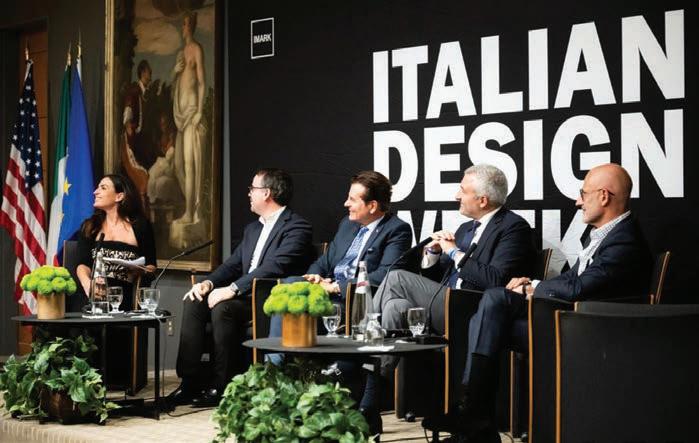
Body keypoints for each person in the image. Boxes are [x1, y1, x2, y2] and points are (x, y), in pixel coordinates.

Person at [428, 163, 653, 442]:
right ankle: (474, 417)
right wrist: (530, 283)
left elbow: (580, 287)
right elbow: (574, 277)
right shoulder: (605, 234)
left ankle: (473, 415)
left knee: (492, 309)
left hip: (594, 329)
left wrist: (532, 287)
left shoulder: (624, 241)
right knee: (491, 309)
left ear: (604, 196)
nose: (578, 201)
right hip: (574, 319)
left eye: (583, 193)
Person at [359, 164, 535, 432]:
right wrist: (433, 254)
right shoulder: (465, 228)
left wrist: (454, 252)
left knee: (396, 278)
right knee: (396, 306)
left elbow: (496, 280)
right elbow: (439, 278)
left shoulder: (513, 227)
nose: (456, 196)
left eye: (462, 190)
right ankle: (371, 403)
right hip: (445, 304)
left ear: (483, 200)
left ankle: (359, 367)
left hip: (475, 311)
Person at [167, 168, 313, 407]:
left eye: (252, 189)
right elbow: (233, 264)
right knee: (194, 300)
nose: (248, 194)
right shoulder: (252, 229)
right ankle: (189, 382)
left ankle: (222, 385)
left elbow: (274, 267)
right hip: (243, 294)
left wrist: (232, 288)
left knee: (223, 308)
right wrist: (207, 283)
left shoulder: (297, 227)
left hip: (266, 297)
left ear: (267, 193)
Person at [268, 170, 413, 336]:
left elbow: (386, 275)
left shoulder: (396, 230)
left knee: (297, 304)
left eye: (352, 199)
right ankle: (275, 352)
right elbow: (325, 261)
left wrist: (336, 288)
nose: (346, 203)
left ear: (372, 206)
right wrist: (314, 277)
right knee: (290, 285)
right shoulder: (347, 224)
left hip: (352, 302)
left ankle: (276, 353)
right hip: (325, 291)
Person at [75, 173, 157, 389]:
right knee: (81, 308)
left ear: (119, 196)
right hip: (94, 292)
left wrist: (138, 269)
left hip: (125, 295)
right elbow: (82, 264)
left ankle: (122, 380)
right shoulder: (90, 226)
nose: (96, 191)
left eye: (103, 188)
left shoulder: (140, 226)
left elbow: (152, 265)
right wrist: (88, 284)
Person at [172, 11, 206, 228]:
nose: (183, 27)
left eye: (185, 24)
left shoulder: (196, 49)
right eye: (183, 24)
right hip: (180, 116)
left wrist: (200, 111)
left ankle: (190, 212)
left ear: (191, 26)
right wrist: (174, 72)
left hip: (192, 111)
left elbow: (201, 82)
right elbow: (176, 86)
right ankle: (191, 206)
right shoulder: (180, 54)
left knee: (189, 163)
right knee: (178, 166)